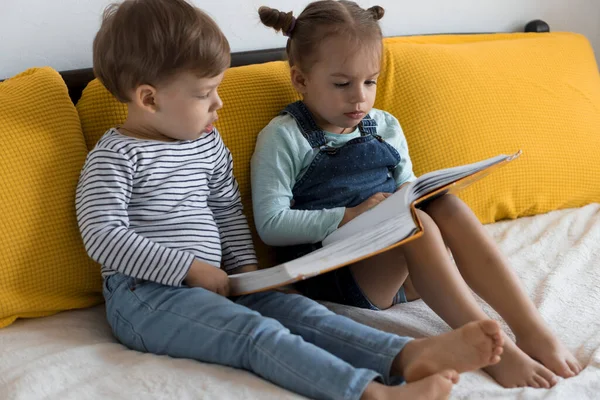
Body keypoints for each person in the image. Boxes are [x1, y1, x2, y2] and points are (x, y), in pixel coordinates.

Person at [75, 1, 503, 399]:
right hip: (146, 296)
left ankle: (408, 356)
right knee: (256, 335)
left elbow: (227, 211)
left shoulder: (206, 144)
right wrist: (189, 270)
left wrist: (247, 273)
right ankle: (371, 393)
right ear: (150, 99)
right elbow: (102, 235)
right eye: (205, 93)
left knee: (307, 316)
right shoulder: (115, 156)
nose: (218, 104)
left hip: (218, 283)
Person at [252, 0, 581, 389]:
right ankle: (497, 352)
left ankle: (532, 329)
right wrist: (349, 215)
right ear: (301, 80)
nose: (359, 98)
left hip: (403, 267)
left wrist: (420, 195)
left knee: (439, 204)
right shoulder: (284, 135)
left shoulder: (385, 125)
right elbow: (271, 225)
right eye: (342, 84)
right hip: (338, 274)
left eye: (370, 81)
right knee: (416, 222)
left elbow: (410, 189)